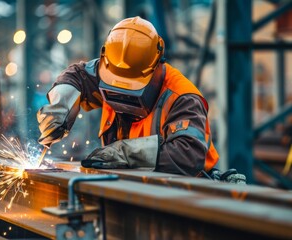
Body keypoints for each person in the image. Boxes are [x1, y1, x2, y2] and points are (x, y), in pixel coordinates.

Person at [37, 16, 219, 177]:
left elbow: (188, 155)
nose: (122, 93)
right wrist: (61, 104)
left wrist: (126, 153)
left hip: (183, 195)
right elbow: (77, 75)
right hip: (132, 188)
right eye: (114, 85)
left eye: (130, 86)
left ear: (157, 65)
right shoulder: (107, 71)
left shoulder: (182, 98)